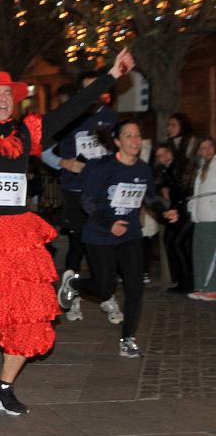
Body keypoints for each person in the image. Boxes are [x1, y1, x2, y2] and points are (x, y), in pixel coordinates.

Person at [0, 40, 136, 415]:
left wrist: (112, 75)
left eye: (7, 94)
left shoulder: (28, 132)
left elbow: (73, 108)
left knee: (30, 312)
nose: (2, 99)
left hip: (20, 234)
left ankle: (3, 388)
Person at [58, 120, 178, 357]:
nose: (134, 140)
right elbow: (87, 202)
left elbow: (150, 198)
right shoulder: (101, 166)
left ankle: (127, 339)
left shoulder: (143, 169)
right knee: (104, 289)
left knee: (135, 289)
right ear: (117, 141)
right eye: (128, 135)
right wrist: (109, 224)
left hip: (130, 234)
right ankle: (74, 284)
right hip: (100, 234)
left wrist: (164, 211)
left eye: (137, 135)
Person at [40, 74, 119, 320]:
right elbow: (40, 149)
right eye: (88, 89)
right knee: (78, 243)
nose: (93, 93)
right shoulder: (67, 118)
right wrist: (63, 162)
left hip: (103, 192)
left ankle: (106, 294)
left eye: (98, 88)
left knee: (103, 244)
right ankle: (72, 295)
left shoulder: (111, 117)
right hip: (75, 190)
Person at [154, 143, 195, 295]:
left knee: (178, 243)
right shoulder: (164, 169)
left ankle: (188, 283)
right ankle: (180, 280)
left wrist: (167, 185)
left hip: (187, 208)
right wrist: (162, 187)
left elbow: (184, 188)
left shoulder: (182, 164)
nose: (163, 157)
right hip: (176, 209)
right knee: (169, 241)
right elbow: (157, 186)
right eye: (159, 155)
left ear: (171, 151)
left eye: (165, 152)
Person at [188, 138, 216, 301]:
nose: (205, 150)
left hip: (212, 215)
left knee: (211, 252)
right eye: (202, 148)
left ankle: (212, 287)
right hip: (200, 215)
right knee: (199, 252)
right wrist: (193, 208)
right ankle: (200, 286)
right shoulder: (200, 167)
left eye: (209, 147)